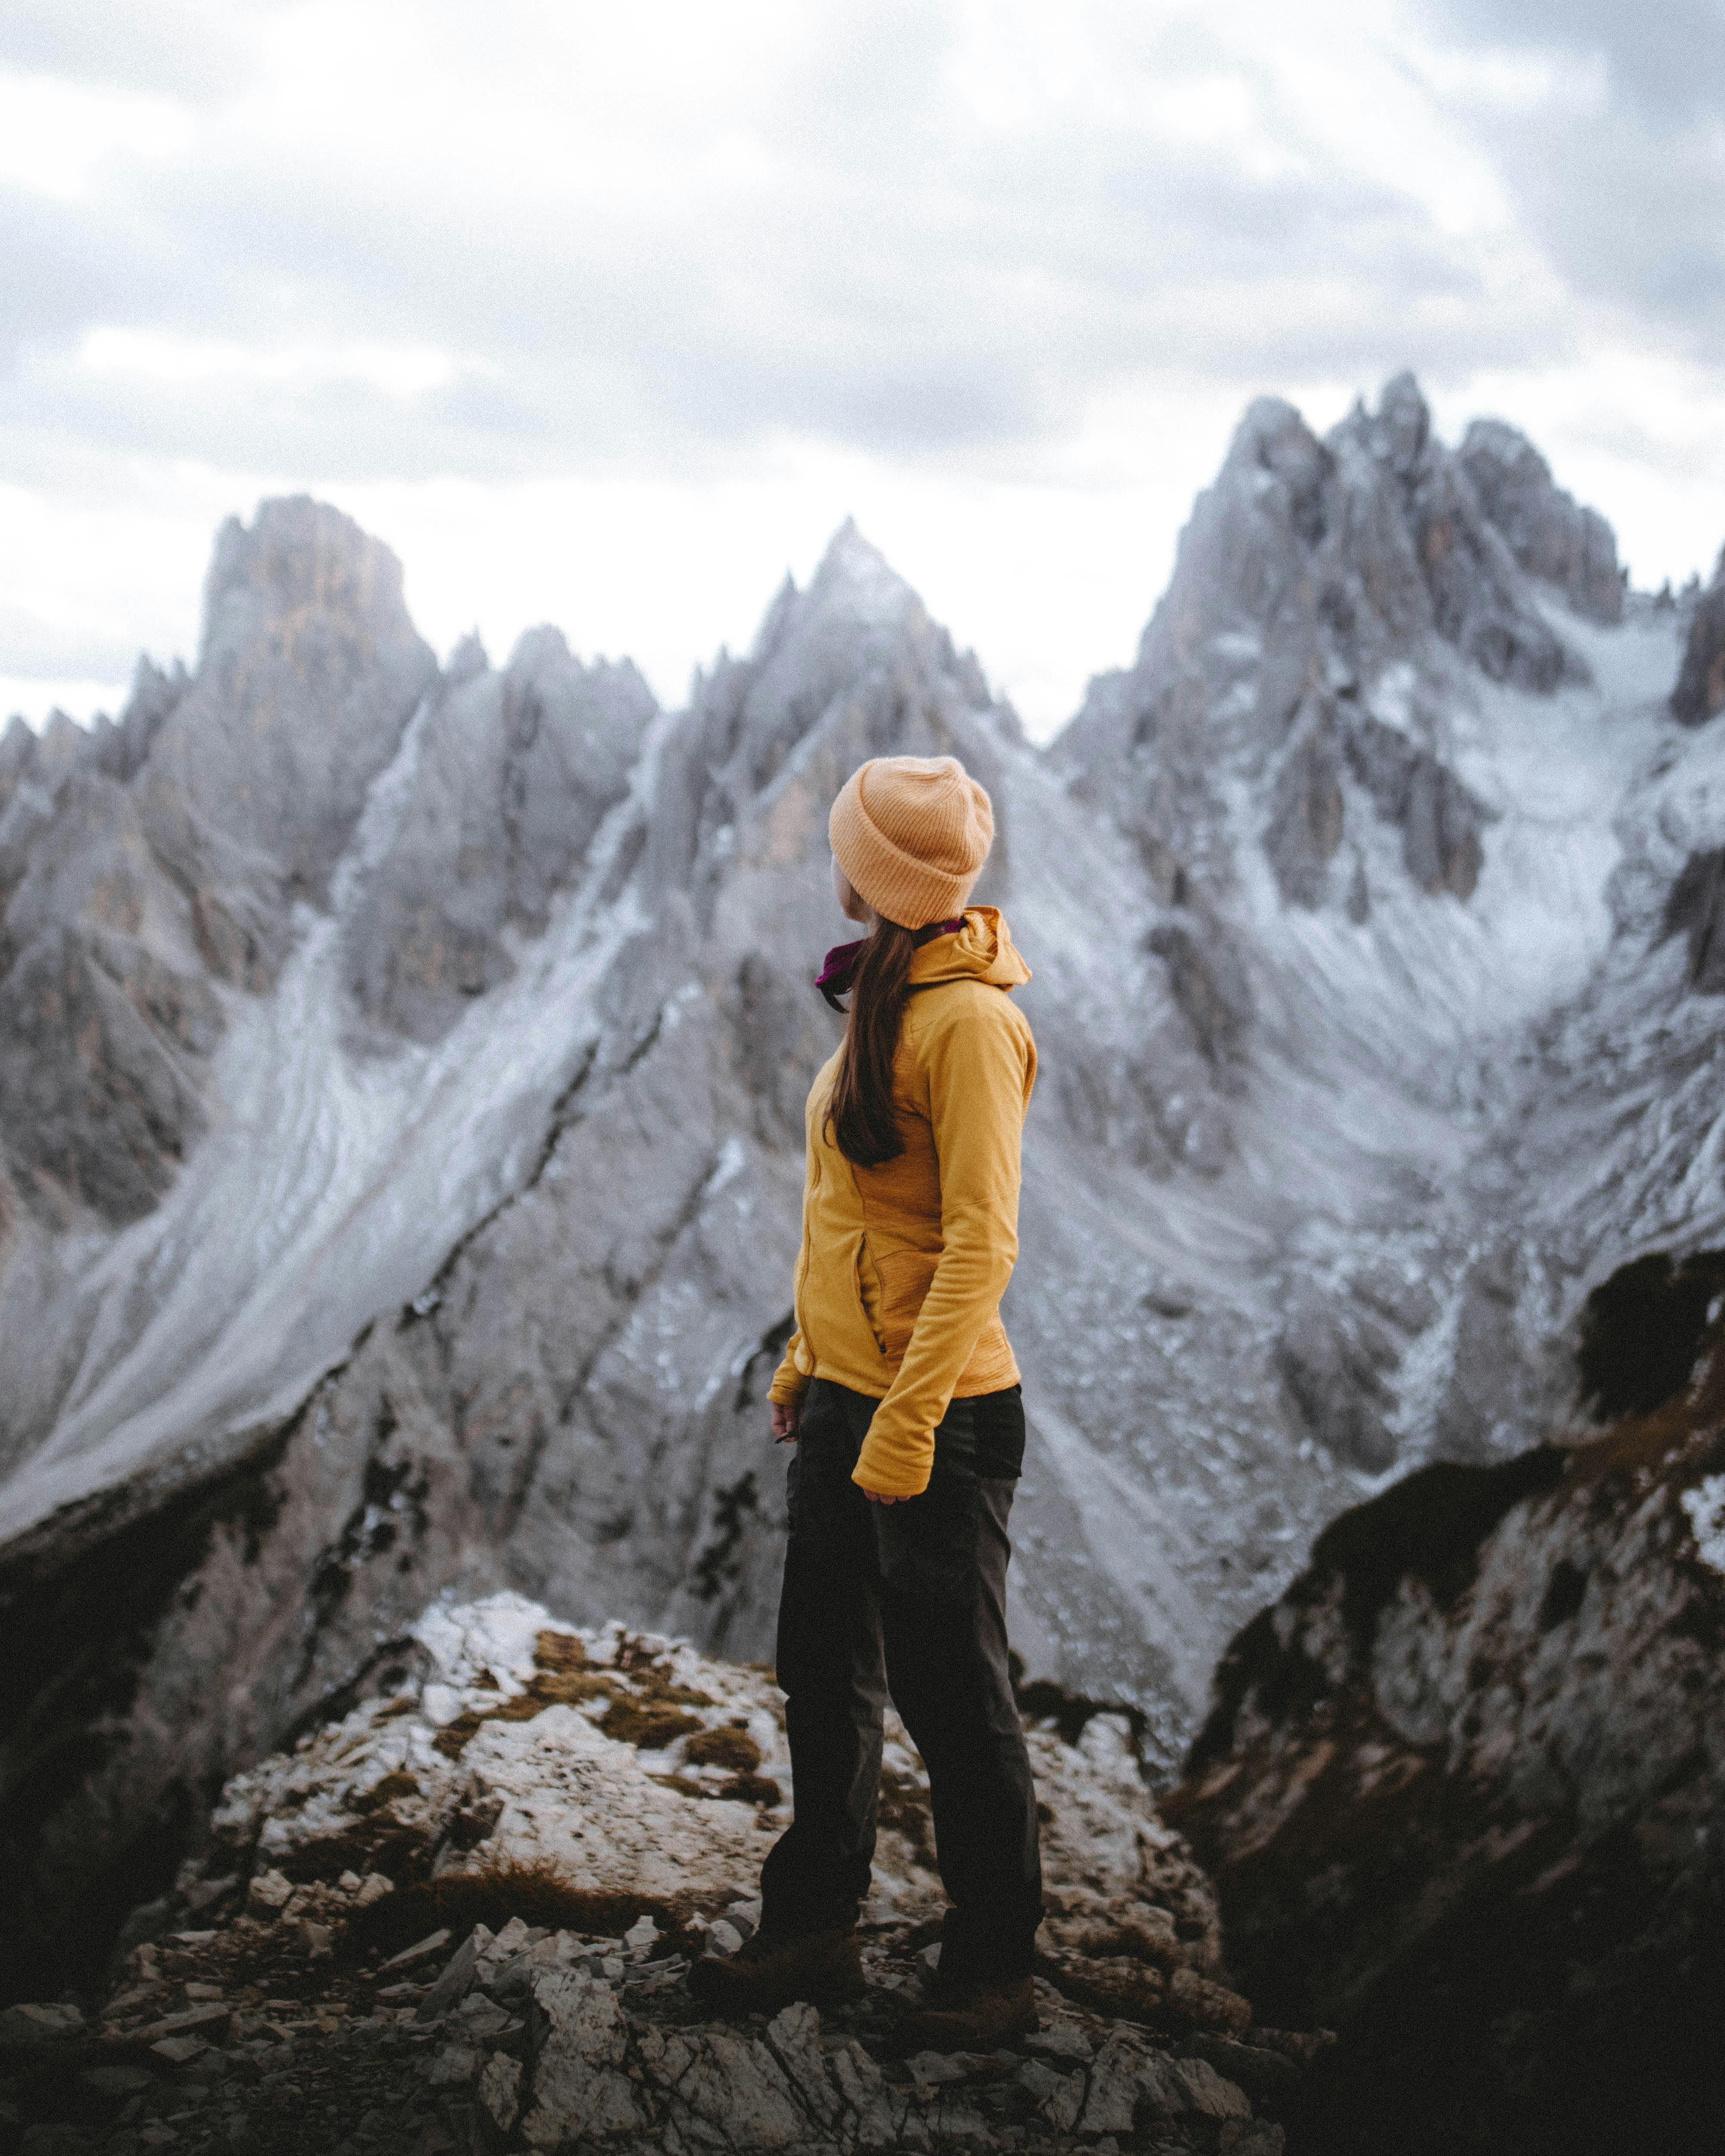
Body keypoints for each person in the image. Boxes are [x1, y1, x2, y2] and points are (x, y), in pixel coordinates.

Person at [689, 752, 1043, 2052]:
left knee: (956, 1698)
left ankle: (996, 1966)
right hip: (848, 1395)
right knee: (823, 1673)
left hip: (938, 1418)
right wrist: (803, 1364)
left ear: (882, 876)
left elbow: (981, 1245)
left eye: (847, 846)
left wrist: (904, 1424)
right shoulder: (886, 995)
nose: (830, 861)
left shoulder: (971, 1024)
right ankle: (813, 1931)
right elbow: (849, 1215)